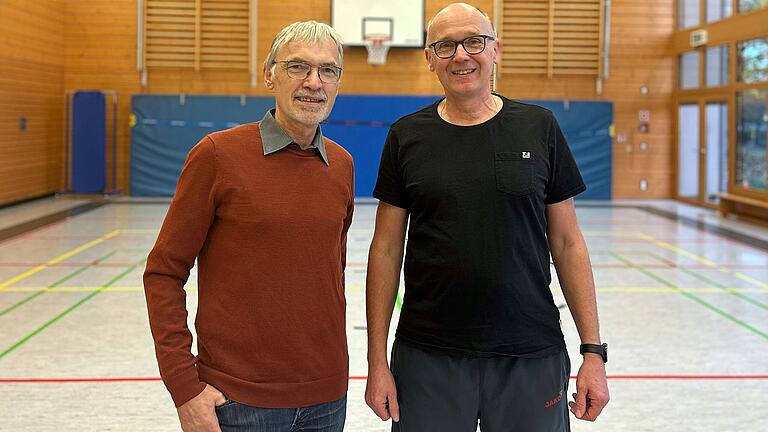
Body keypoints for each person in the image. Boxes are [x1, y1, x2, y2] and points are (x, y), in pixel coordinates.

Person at [364, 3, 609, 431]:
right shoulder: (406, 136)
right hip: (428, 356)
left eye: (473, 42)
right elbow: (385, 249)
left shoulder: (539, 127)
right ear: (429, 58)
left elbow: (569, 243)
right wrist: (376, 360)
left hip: (531, 352)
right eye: (444, 46)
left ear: (495, 51)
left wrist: (593, 351)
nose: (460, 55)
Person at [144, 20, 354, 432]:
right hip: (238, 402)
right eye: (298, 67)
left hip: (327, 399)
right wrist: (185, 388)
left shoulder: (342, 165)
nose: (314, 82)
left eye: (328, 70)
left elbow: (328, 273)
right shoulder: (217, 155)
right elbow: (163, 273)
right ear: (268, 75)